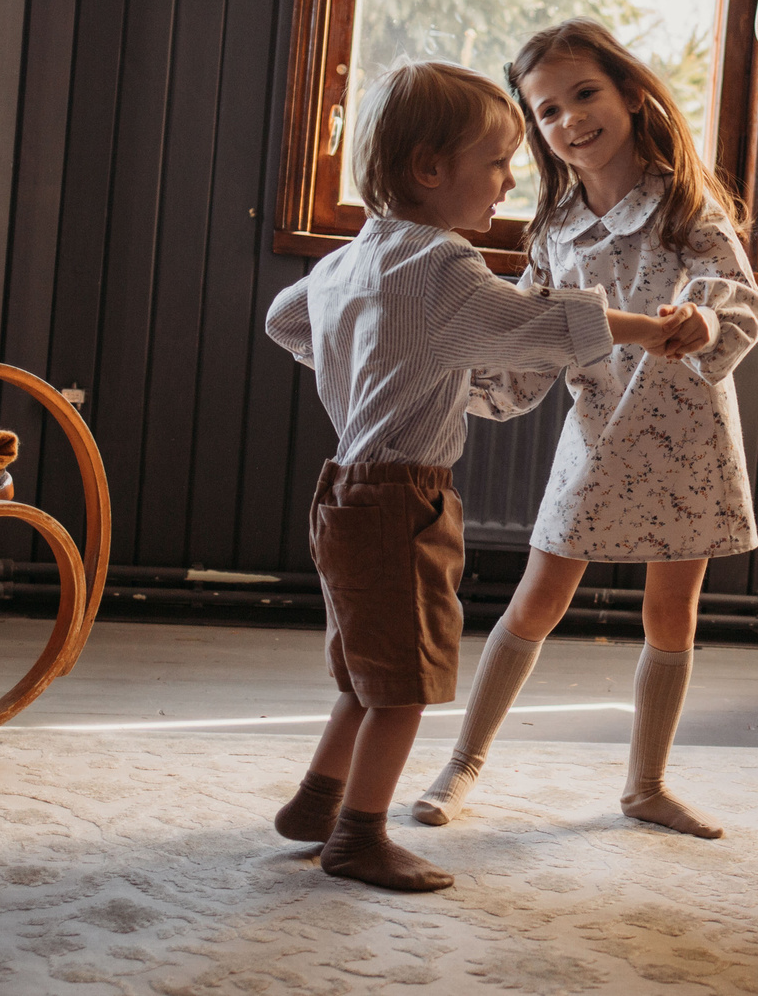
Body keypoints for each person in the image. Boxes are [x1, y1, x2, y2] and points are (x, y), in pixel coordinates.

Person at [261, 61, 678, 892]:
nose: (511, 179)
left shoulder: (356, 257)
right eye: (497, 163)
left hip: (343, 488)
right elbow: (537, 324)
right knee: (405, 685)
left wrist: (362, 355)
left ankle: (316, 803)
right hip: (403, 498)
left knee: (366, 669)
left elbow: (285, 319)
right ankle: (359, 836)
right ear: (429, 170)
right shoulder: (441, 266)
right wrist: (651, 331)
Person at [412, 19, 758, 840]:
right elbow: (529, 342)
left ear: (631, 95)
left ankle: (646, 786)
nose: (570, 119)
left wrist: (704, 325)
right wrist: (456, 375)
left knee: (670, 618)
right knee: (535, 600)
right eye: (547, 111)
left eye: (584, 95)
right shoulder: (552, 230)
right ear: (535, 129)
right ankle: (462, 763)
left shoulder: (685, 205)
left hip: (688, 436)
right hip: (597, 431)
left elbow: (739, 297)